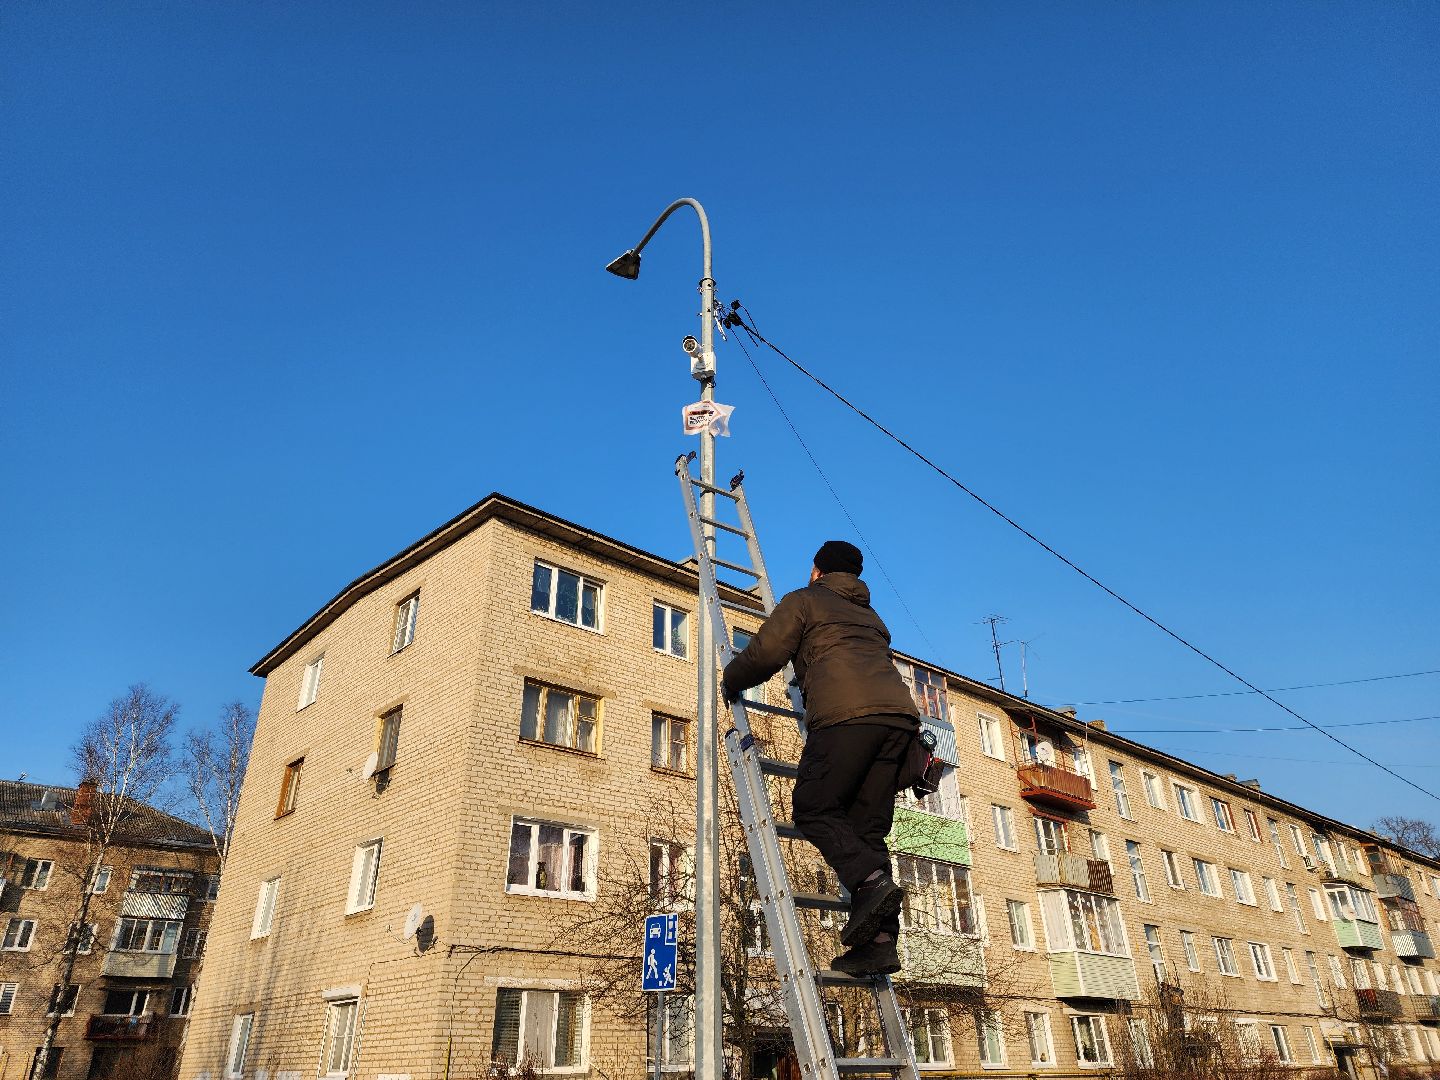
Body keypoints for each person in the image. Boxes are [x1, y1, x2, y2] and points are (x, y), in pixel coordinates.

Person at [722, 540, 920, 977]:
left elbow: (766, 653)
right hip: (900, 723)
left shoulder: (805, 600)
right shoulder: (871, 618)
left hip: (847, 717)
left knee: (813, 807)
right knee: (867, 830)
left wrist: (731, 678)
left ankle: (872, 883)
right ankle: (880, 944)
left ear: (817, 571)